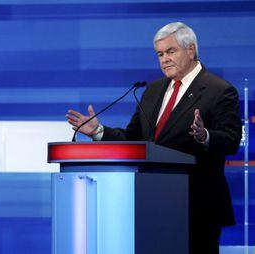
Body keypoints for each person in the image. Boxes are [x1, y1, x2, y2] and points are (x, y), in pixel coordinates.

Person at [66, 22, 241, 254]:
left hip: (197, 205)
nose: (164, 59)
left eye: (171, 51)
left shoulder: (219, 90)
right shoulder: (153, 90)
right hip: (152, 203)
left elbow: (231, 140)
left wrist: (205, 135)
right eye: (160, 54)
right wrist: (99, 132)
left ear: (190, 50)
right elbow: (135, 139)